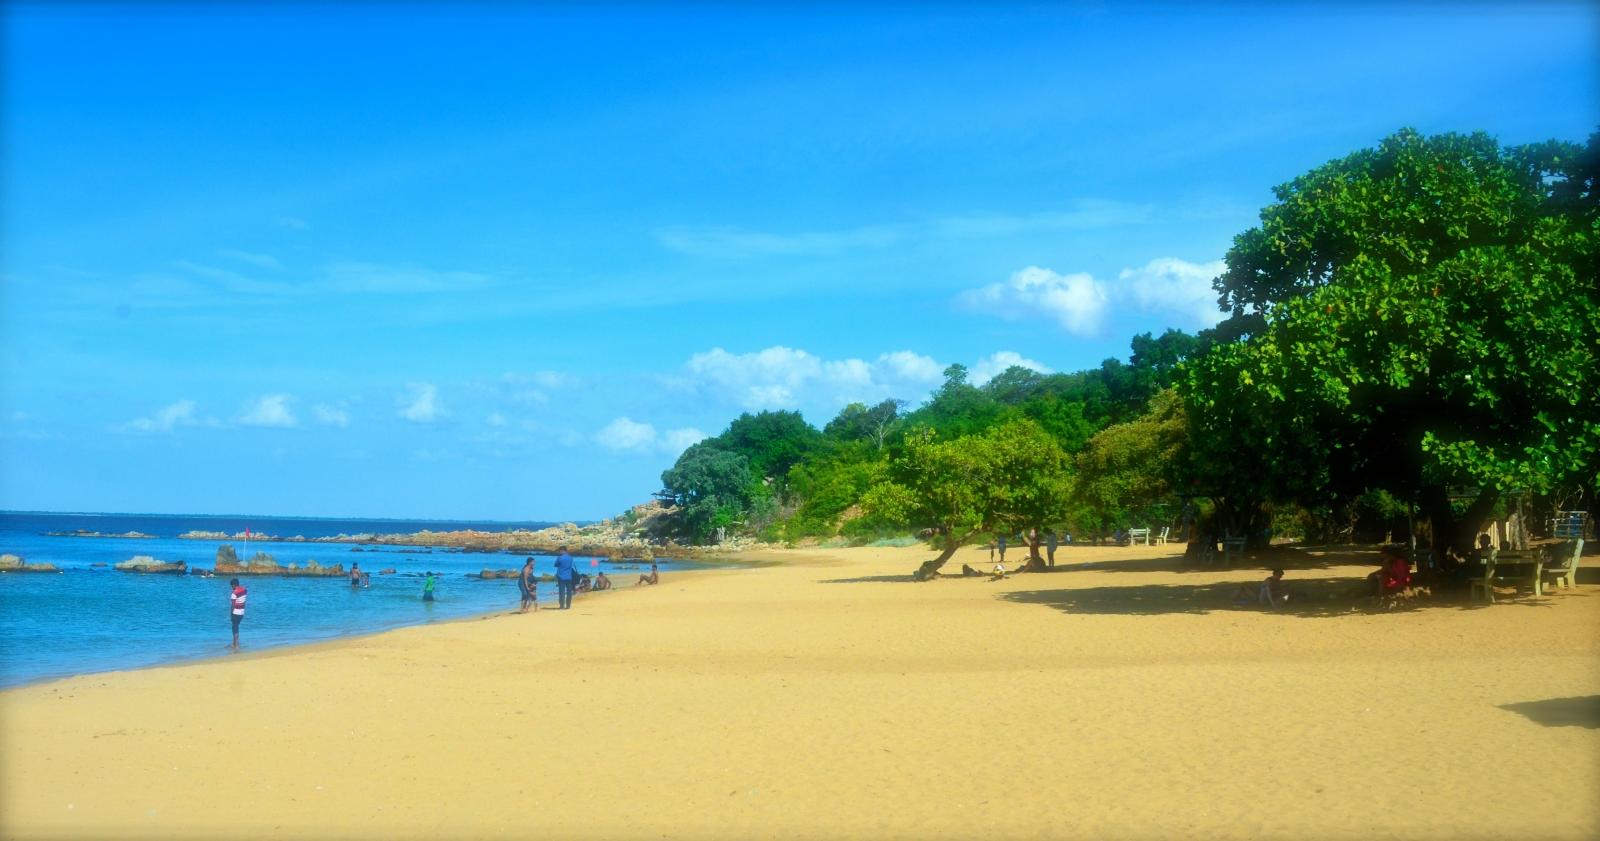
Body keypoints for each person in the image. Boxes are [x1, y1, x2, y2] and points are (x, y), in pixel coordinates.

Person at [228, 578, 247, 650]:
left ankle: (236, 645)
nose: (231, 588)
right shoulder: (245, 590)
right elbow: (243, 601)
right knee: (236, 627)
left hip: (235, 613)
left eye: (231, 586)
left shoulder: (234, 593)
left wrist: (231, 614)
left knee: (235, 628)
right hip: (242, 612)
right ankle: (234, 643)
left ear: (233, 585)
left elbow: (233, 605)